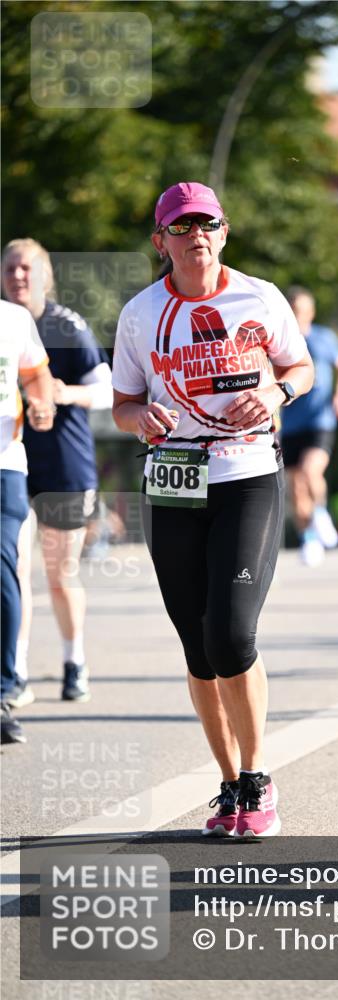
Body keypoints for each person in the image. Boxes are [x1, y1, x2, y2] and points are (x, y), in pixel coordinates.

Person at [112, 181, 314, 837]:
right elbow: (123, 403)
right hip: (173, 478)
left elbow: (301, 366)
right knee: (197, 643)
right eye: (181, 226)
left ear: (223, 233)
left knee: (231, 632)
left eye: (207, 223)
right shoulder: (142, 314)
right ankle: (227, 783)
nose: (195, 234)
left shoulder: (258, 297)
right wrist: (141, 417)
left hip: (247, 472)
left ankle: (259, 779)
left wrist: (279, 391)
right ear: (160, 241)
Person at [1, 239, 113, 704]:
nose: (18, 276)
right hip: (14, 461)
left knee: (58, 573)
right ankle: (18, 670)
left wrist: (64, 395)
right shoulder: (5, 325)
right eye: (10, 269)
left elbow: (105, 390)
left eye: (27, 268)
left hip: (65, 463)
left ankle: (74, 660)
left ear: (46, 275)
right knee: (15, 569)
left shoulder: (67, 325)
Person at [1, 300, 53, 744]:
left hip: (5, 465)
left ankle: (2, 691)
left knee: (3, 570)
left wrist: (41, 404)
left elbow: (37, 376)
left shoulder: (14, 319)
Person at [280, 286, 338, 567]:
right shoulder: (280, 343)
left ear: (310, 312)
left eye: (302, 311)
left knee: (312, 472)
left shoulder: (325, 338)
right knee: (296, 489)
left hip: (320, 421)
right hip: (289, 426)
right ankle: (309, 536)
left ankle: (321, 514)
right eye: (293, 310)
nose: (298, 316)